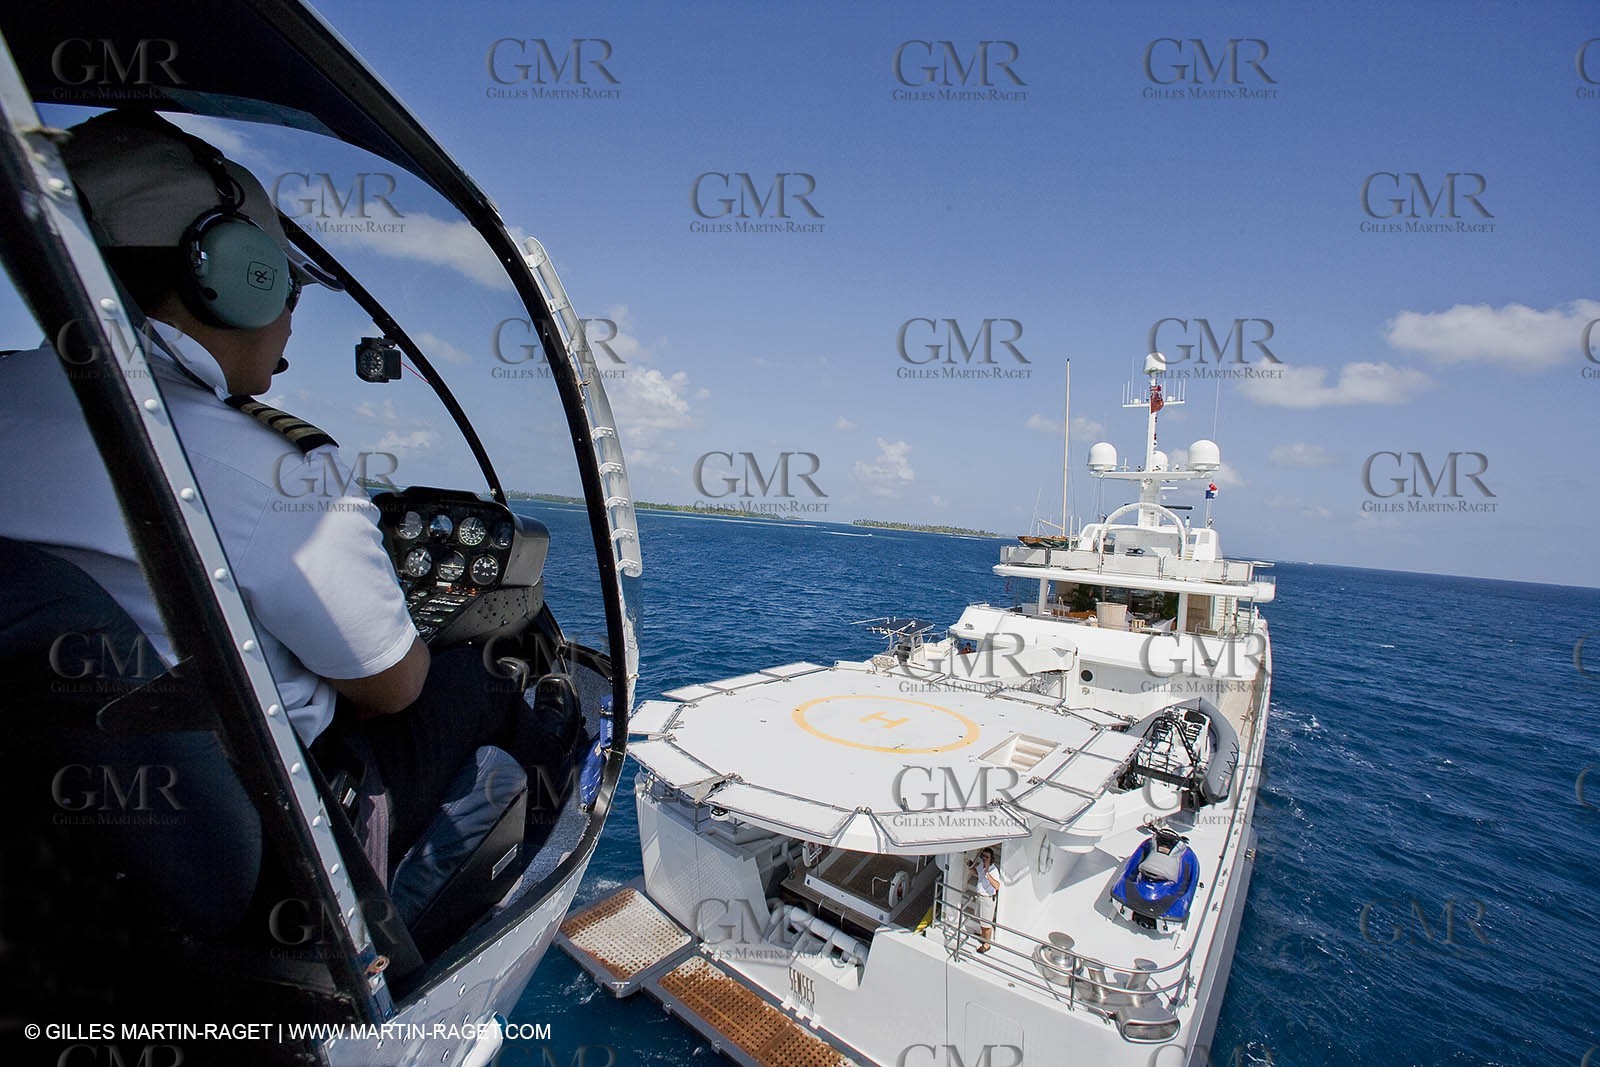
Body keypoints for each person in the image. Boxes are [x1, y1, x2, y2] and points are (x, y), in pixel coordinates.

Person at [0, 109, 579, 879]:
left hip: (57, 829)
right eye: (287, 291)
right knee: (480, 674)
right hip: (257, 843)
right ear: (236, 277)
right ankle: (530, 872)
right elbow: (392, 685)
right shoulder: (269, 469)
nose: (288, 327)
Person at [968, 847, 1001, 953]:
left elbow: (997, 886)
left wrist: (987, 873)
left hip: (987, 899)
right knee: (981, 920)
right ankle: (983, 936)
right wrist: (970, 866)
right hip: (980, 897)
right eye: (983, 856)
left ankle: (987, 944)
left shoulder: (993, 870)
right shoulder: (981, 866)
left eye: (987, 857)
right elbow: (977, 875)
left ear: (991, 858)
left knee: (986, 923)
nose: (984, 858)